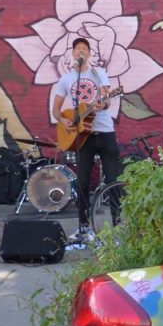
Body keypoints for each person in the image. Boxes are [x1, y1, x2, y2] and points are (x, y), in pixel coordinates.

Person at [51, 37, 122, 242]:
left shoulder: (99, 73)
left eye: (84, 48)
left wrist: (103, 104)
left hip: (105, 132)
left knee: (113, 180)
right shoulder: (66, 80)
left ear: (89, 54)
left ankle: (117, 227)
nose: (81, 51)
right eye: (77, 48)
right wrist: (63, 121)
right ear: (73, 54)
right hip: (83, 137)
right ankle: (83, 227)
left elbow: (106, 100)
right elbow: (56, 109)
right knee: (81, 181)